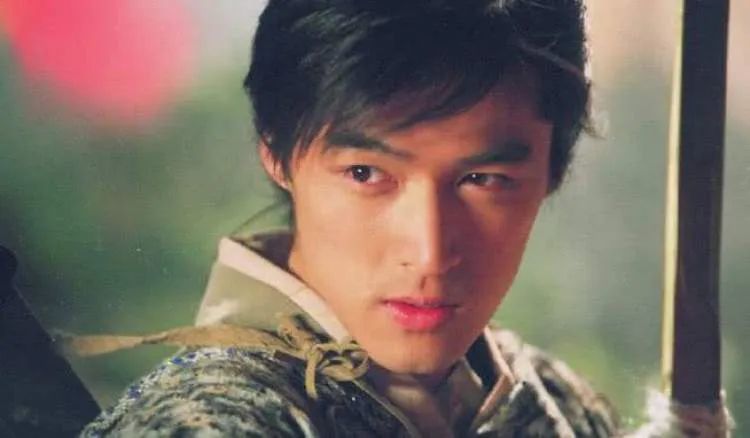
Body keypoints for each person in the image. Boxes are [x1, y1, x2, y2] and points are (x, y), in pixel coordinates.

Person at [80, 0, 621, 436]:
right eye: (365, 173)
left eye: (484, 180)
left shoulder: (562, 403)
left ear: (553, 169)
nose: (429, 253)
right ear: (275, 151)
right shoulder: (208, 422)